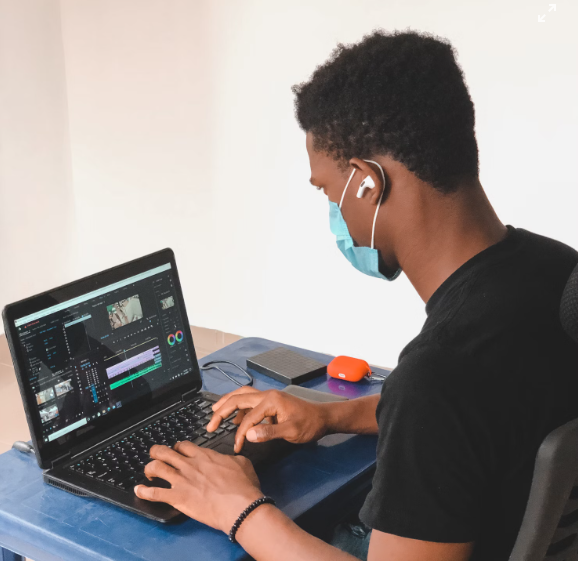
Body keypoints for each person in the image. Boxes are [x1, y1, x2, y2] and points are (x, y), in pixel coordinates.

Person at [133, 30, 578, 560]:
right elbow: (482, 411)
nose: (332, 212)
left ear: (367, 182)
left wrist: (239, 508)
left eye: (326, 189)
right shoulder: (555, 269)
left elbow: (442, 402)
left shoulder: (437, 375)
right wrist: (332, 414)